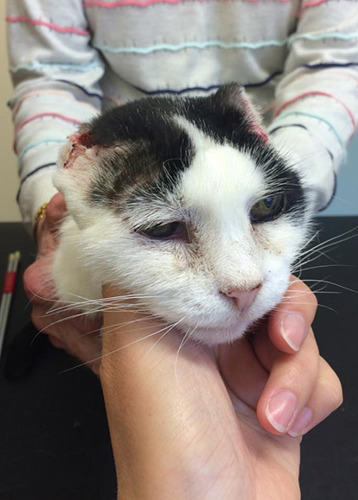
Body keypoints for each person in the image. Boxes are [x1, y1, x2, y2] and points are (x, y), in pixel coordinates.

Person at [7, 0, 354, 496]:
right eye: (166, 228)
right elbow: (49, 75)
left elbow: (333, 62)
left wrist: (284, 159)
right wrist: (52, 210)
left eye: (265, 211)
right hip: (125, 155)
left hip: (237, 134)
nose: (244, 281)